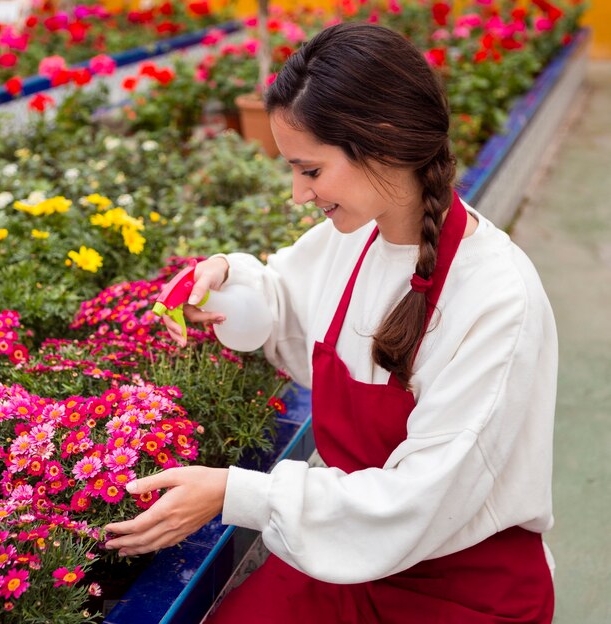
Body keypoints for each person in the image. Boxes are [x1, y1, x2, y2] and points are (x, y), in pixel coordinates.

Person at [104, 21, 556, 623]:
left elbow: (417, 503)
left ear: (385, 141)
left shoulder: (498, 297)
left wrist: (235, 493)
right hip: (347, 565)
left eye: (310, 170)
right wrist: (226, 282)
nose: (297, 194)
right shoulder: (355, 239)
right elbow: (285, 304)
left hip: (459, 592)